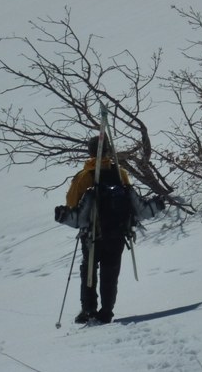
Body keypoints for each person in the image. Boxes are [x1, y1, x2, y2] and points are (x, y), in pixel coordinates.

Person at [56, 135, 165, 324]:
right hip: (118, 233)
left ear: (90, 152)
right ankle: (106, 311)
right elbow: (134, 204)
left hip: (93, 235)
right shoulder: (120, 174)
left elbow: (72, 205)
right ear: (108, 151)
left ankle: (88, 309)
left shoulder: (84, 177)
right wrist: (155, 205)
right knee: (110, 271)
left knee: (88, 270)